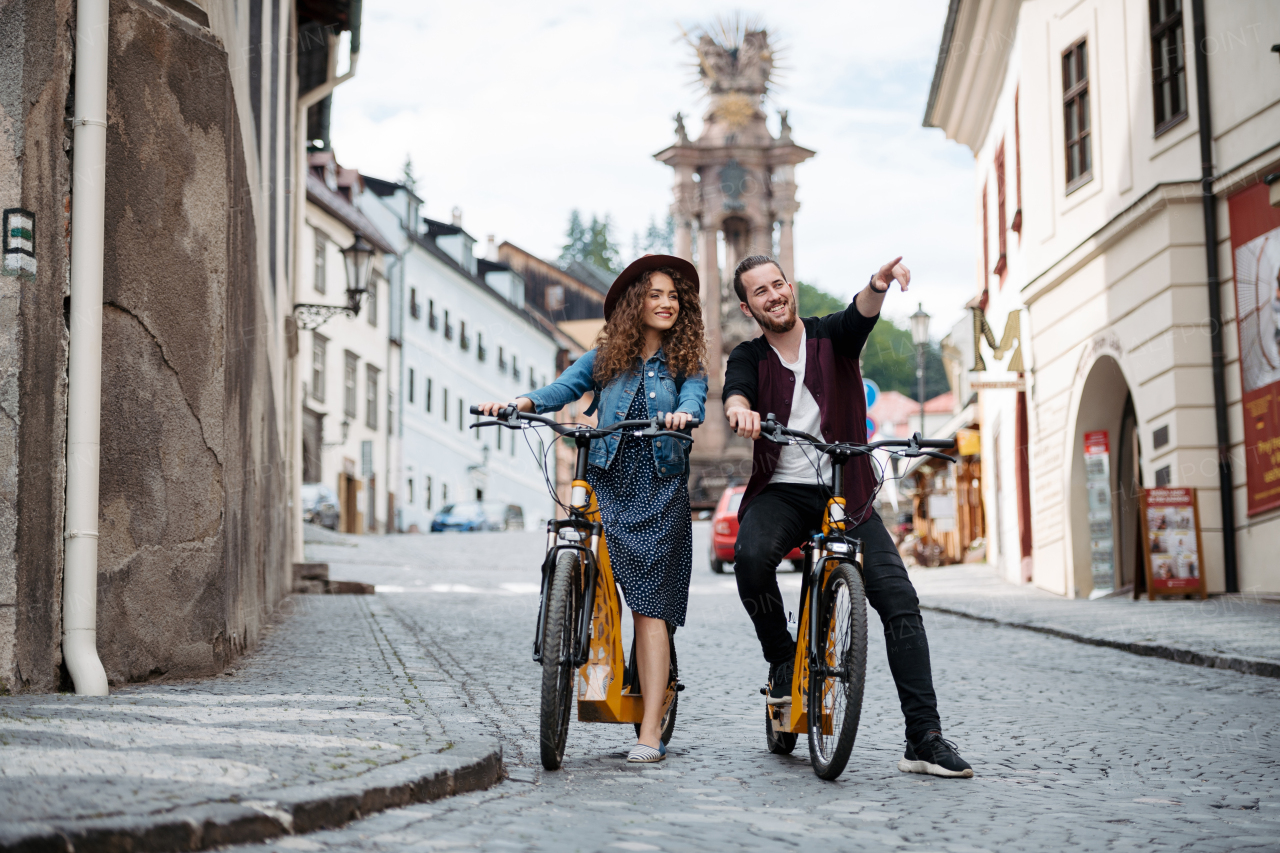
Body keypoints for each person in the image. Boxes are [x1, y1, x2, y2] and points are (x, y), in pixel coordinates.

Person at [722, 254, 974, 779]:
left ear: (790, 288)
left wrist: (877, 285)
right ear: (749, 307)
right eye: (760, 292)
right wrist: (740, 410)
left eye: (778, 284)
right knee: (750, 558)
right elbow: (736, 389)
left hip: (848, 488)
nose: (774, 295)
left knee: (900, 601)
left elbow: (859, 315)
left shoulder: (829, 335)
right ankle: (784, 657)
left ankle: (923, 738)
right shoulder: (749, 354)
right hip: (783, 491)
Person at [477, 255, 707, 764]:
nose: (666, 303)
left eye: (673, 296)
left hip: (658, 488)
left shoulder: (684, 362)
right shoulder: (606, 357)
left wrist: (683, 415)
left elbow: (696, 399)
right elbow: (564, 387)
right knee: (583, 552)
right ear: (634, 303)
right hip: (604, 479)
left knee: (649, 607)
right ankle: (573, 617)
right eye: (655, 294)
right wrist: (520, 403)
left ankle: (649, 731)